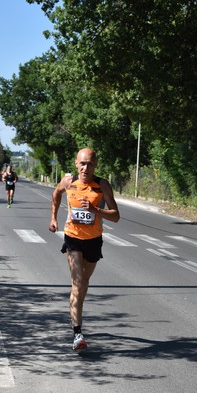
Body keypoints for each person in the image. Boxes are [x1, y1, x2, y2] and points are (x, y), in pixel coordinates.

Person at [49, 148, 120, 351]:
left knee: (83, 285)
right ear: (76, 163)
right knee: (78, 283)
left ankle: (75, 305)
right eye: (82, 163)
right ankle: (77, 333)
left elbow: (115, 216)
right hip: (72, 238)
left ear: (95, 164)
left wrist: (95, 210)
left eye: (89, 163)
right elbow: (55, 195)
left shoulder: (102, 185)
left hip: (94, 240)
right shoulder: (68, 182)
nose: (85, 168)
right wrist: (53, 218)